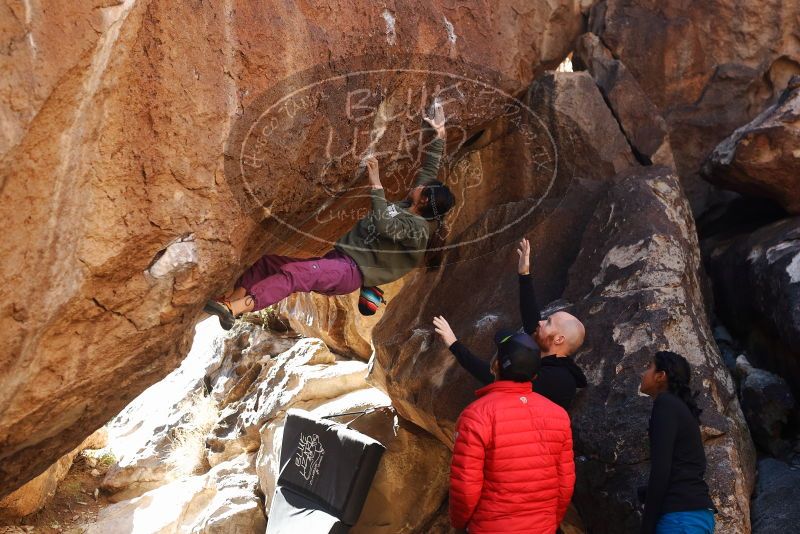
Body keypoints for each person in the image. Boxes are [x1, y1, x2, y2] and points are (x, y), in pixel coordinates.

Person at [205, 101, 455, 329]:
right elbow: (430, 167)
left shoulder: (418, 230)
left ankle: (237, 308)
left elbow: (384, 225)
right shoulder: (410, 205)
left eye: (424, 188)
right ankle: (231, 303)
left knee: (296, 274)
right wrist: (440, 133)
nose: (420, 184)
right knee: (268, 263)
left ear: (424, 200)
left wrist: (376, 183)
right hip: (339, 259)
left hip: (349, 271)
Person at [433, 238, 587, 410]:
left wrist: (454, 344)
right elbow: (532, 324)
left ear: (559, 339)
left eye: (549, 322)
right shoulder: (548, 358)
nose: (542, 322)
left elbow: (497, 378)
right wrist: (524, 274)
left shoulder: (558, 378)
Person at [449, 330, 575, 533]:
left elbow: (466, 487)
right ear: (534, 375)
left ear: (496, 366)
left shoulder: (476, 415)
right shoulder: (559, 416)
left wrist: (459, 524)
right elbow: (565, 484)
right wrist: (551, 523)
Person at [639, 350, 716, 534]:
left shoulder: (665, 405)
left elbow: (661, 469)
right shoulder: (677, 408)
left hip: (681, 519)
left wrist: (647, 526)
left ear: (660, 376)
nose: (643, 373)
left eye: (649, 367)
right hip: (695, 515)